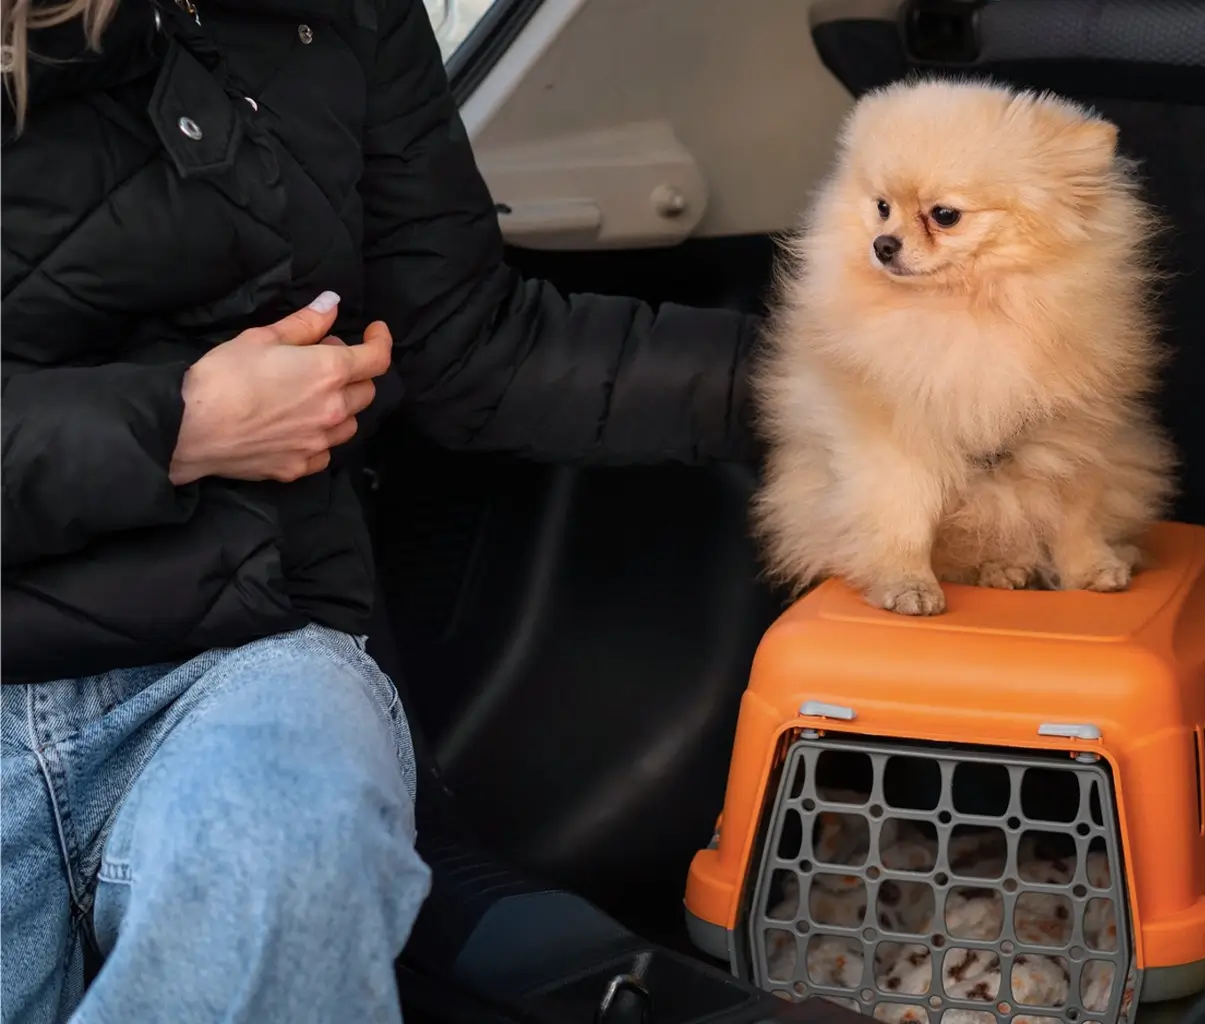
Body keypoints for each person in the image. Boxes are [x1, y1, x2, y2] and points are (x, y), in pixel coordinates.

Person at [0, 0, 761, 1020]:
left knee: (300, 839)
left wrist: (842, 385)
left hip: (243, 649)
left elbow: (470, 345)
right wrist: (177, 425)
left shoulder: (347, 14)